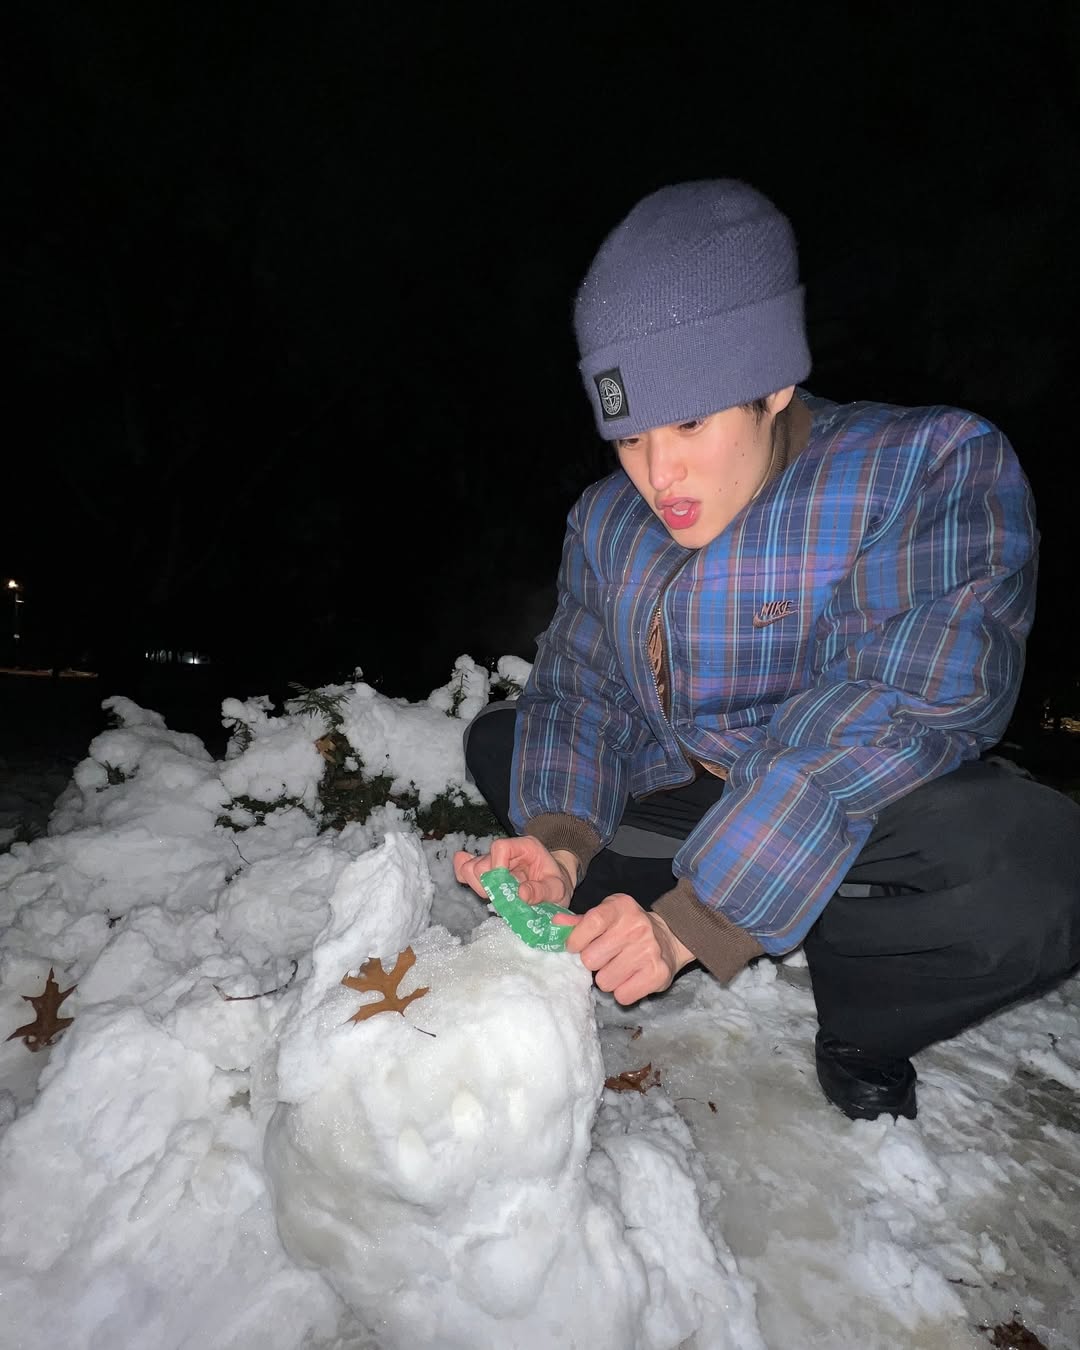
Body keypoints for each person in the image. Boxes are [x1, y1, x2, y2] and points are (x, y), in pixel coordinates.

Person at [453, 179, 1080, 1122]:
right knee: (505, 743)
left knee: (1037, 869)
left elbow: (902, 705)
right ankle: (643, 893)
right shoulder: (606, 520)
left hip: (864, 792)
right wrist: (558, 847)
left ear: (773, 383)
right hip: (686, 792)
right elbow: (581, 696)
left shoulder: (930, 465)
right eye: (629, 436)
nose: (658, 476)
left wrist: (694, 919)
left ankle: (863, 1016)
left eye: (691, 423)